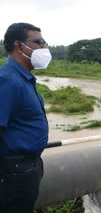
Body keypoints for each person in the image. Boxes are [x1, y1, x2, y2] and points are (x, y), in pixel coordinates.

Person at [0, 23, 51, 213]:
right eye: (39, 42)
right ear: (19, 46)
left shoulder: (23, 79)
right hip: (13, 172)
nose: (45, 47)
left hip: (27, 168)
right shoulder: (7, 80)